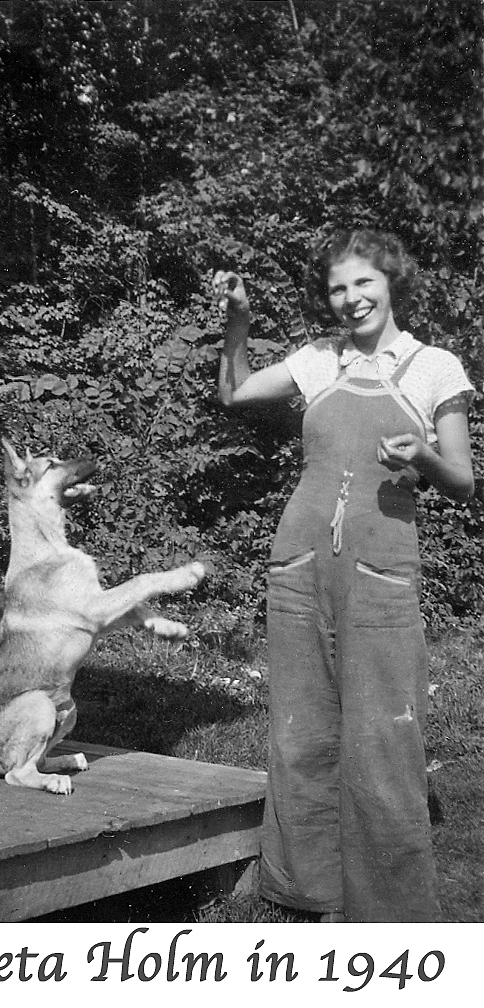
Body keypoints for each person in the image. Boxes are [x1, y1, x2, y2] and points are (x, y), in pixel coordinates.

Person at [215, 228, 474, 923]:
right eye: (336, 287)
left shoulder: (433, 366)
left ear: (390, 281)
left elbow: (462, 481)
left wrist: (420, 451)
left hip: (382, 566)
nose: (350, 297)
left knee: (383, 734)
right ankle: (305, 888)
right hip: (299, 559)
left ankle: (387, 905)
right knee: (301, 729)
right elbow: (236, 393)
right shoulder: (317, 358)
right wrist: (238, 325)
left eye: (362, 282)